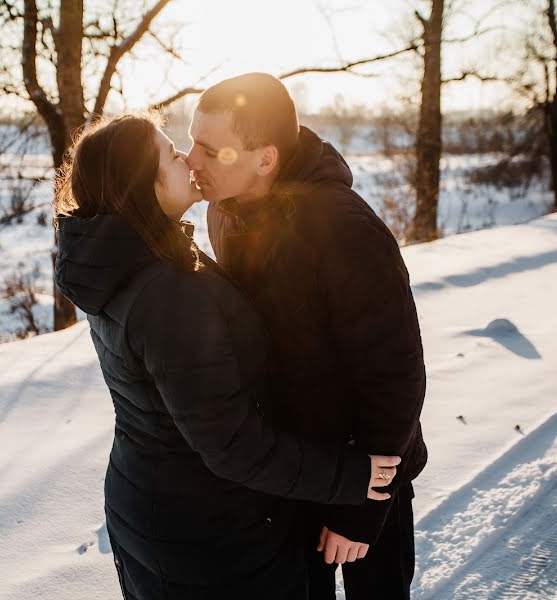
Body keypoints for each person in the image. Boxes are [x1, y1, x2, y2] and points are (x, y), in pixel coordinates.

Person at [53, 112, 400, 600]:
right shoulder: (166, 292)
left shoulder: (120, 261)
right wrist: (348, 477)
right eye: (172, 154)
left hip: (156, 503)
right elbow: (231, 443)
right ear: (142, 186)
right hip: (207, 532)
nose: (188, 159)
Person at [188, 73, 428, 599]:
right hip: (291, 473)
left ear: (265, 159)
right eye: (190, 142)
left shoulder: (344, 230)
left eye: (209, 149)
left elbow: (395, 377)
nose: (191, 160)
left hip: (366, 475)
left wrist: (362, 512)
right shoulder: (223, 211)